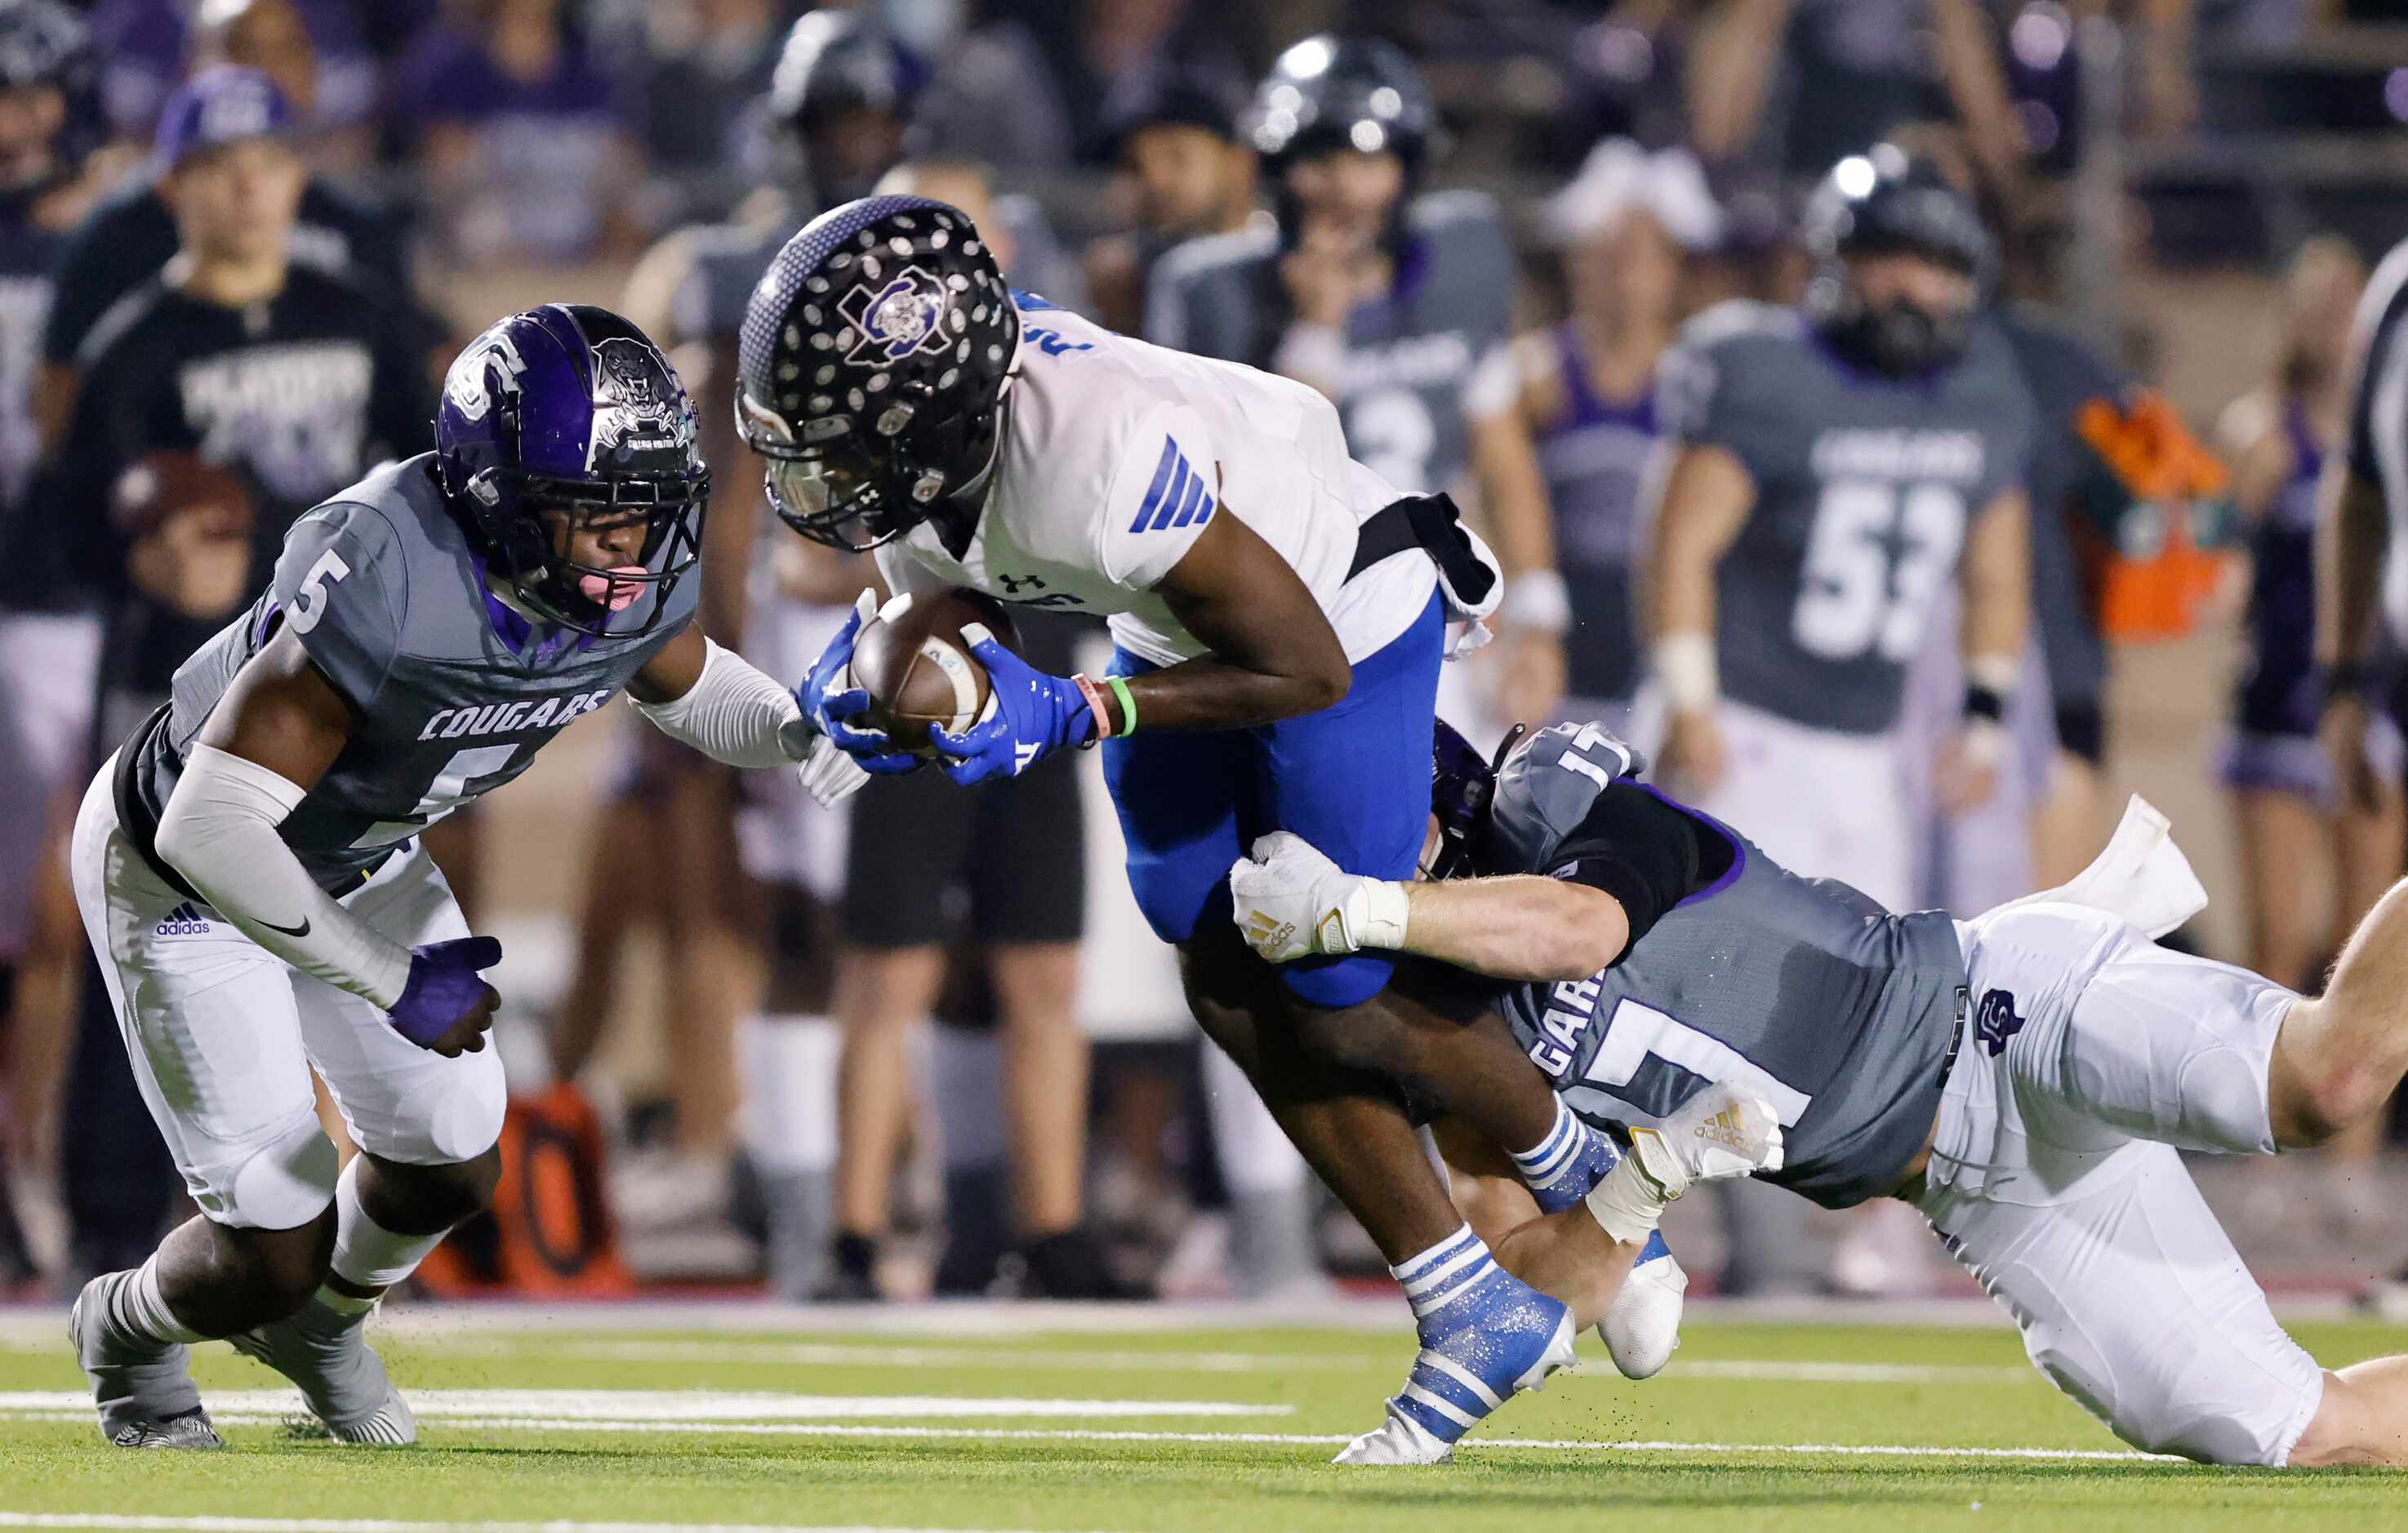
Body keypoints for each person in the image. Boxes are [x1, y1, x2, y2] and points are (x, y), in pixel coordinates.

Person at [737, 190, 1697, 1455]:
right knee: (1212, 946)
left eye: (846, 434)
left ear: (932, 403)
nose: (824, 467)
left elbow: (1302, 667)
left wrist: (1080, 708)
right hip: (1179, 615)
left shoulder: (1090, 446)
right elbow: (959, 598)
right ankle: (1463, 1297)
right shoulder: (952, 442)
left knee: (1332, 967)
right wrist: (866, 681)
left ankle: (1577, 1159)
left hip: (1338, 606)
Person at [65, 301, 854, 1450]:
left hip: (361, 851)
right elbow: (212, 829)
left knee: (449, 1148)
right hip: (187, 874)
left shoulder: (621, 565)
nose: (631, 547)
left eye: (648, 513)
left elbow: (684, 681)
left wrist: (799, 728)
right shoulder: (390, 569)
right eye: (598, 516)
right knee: (272, 1240)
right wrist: (387, 975)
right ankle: (125, 1331)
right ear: (497, 493)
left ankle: (324, 1330)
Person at [1231, 716, 2408, 1470]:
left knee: (2328, 1078)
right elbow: (1534, 1281)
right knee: (2287, 1429)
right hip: (1977, 1190)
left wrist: (1357, 913)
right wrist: (1645, 1184)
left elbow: (1578, 927)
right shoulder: (1460, 1033)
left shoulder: (1561, 813)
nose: (1385, 872)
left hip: (2003, 1010)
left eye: (1393, 852)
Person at [1643, 144, 2036, 914]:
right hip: (1744, 724)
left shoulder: (1981, 397)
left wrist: (1983, 721)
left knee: (1855, 984)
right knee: (1708, 961)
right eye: (1889, 257)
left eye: (1936, 265)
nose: (1912, 287)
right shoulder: (1769, 371)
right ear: (1837, 257)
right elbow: (1679, 544)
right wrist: (1689, 700)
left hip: (1870, 746)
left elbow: (1997, 572)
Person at [1149, 37, 1567, 736]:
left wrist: (1539, 617)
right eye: (1319, 159)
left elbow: (1500, 453)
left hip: (1430, 615)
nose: (1343, 185)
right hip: (1275, 619)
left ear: (1408, 168)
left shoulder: (1460, 261)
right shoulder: (1209, 293)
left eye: (1366, 159)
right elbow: (1253, 490)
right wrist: (1314, 331)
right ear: (1279, 171)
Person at [2222, 238, 2400, 1009]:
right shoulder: (2259, 432)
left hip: (2374, 705)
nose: (2330, 328)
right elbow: (2222, 556)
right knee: (2276, 948)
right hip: (2280, 697)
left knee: (2360, 954)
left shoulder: (2390, 430)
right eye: (2315, 310)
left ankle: (2356, 1136)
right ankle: (2262, 1128)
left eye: (2341, 308)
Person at [1516, 140, 1718, 733]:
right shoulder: (1535, 375)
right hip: (1553, 650)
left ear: (1673, 269)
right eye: (1609, 253)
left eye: (1644, 255)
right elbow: (1490, 503)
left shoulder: (1707, 382)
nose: (1625, 273)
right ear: (1578, 261)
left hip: (1652, 655)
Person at [1082, 67, 1257, 336]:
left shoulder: (1290, 266)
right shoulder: (1116, 283)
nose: (1155, 181)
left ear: (1239, 165)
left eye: (1177, 157)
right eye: (1136, 165)